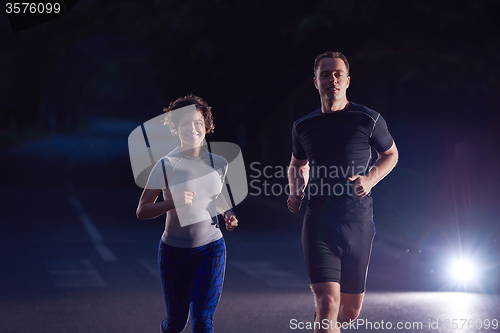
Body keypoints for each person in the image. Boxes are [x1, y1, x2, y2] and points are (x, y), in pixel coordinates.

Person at [287, 52, 398, 333]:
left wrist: (370, 179)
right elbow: (297, 165)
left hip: (358, 223)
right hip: (319, 223)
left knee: (348, 312)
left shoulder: (368, 119)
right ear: (316, 81)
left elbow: (391, 154)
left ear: (347, 81)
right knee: (327, 303)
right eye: (325, 74)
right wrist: (296, 191)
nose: (332, 79)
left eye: (337, 74)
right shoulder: (303, 126)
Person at [136, 94, 238, 333]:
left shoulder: (219, 163)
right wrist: (172, 203)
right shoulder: (166, 164)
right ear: (176, 128)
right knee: (176, 323)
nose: (192, 129)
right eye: (185, 123)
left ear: (206, 126)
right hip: (173, 252)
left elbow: (216, 195)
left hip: (211, 249)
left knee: (203, 321)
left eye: (197, 123)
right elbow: (142, 210)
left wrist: (228, 213)